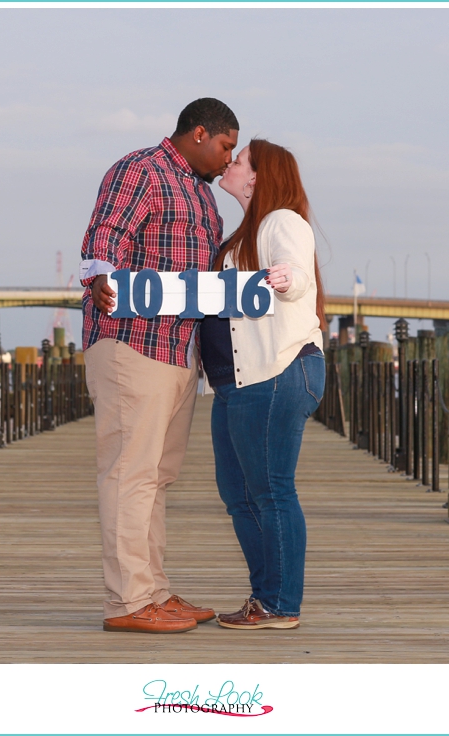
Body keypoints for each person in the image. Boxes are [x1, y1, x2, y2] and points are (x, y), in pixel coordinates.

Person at [80, 98, 239, 633]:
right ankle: (126, 603)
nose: (228, 159)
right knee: (129, 474)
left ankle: (154, 591)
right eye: (225, 147)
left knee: (157, 477)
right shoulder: (141, 169)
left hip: (178, 350)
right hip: (132, 344)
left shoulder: (200, 191)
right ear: (198, 133)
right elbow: (108, 233)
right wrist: (100, 276)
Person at [200, 139, 327, 630]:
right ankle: (266, 595)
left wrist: (285, 278)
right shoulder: (243, 233)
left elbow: (294, 272)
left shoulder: (281, 221)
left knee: (271, 490)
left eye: (239, 160)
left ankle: (280, 603)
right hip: (239, 381)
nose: (230, 165)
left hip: (275, 371)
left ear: (256, 176)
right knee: (238, 493)